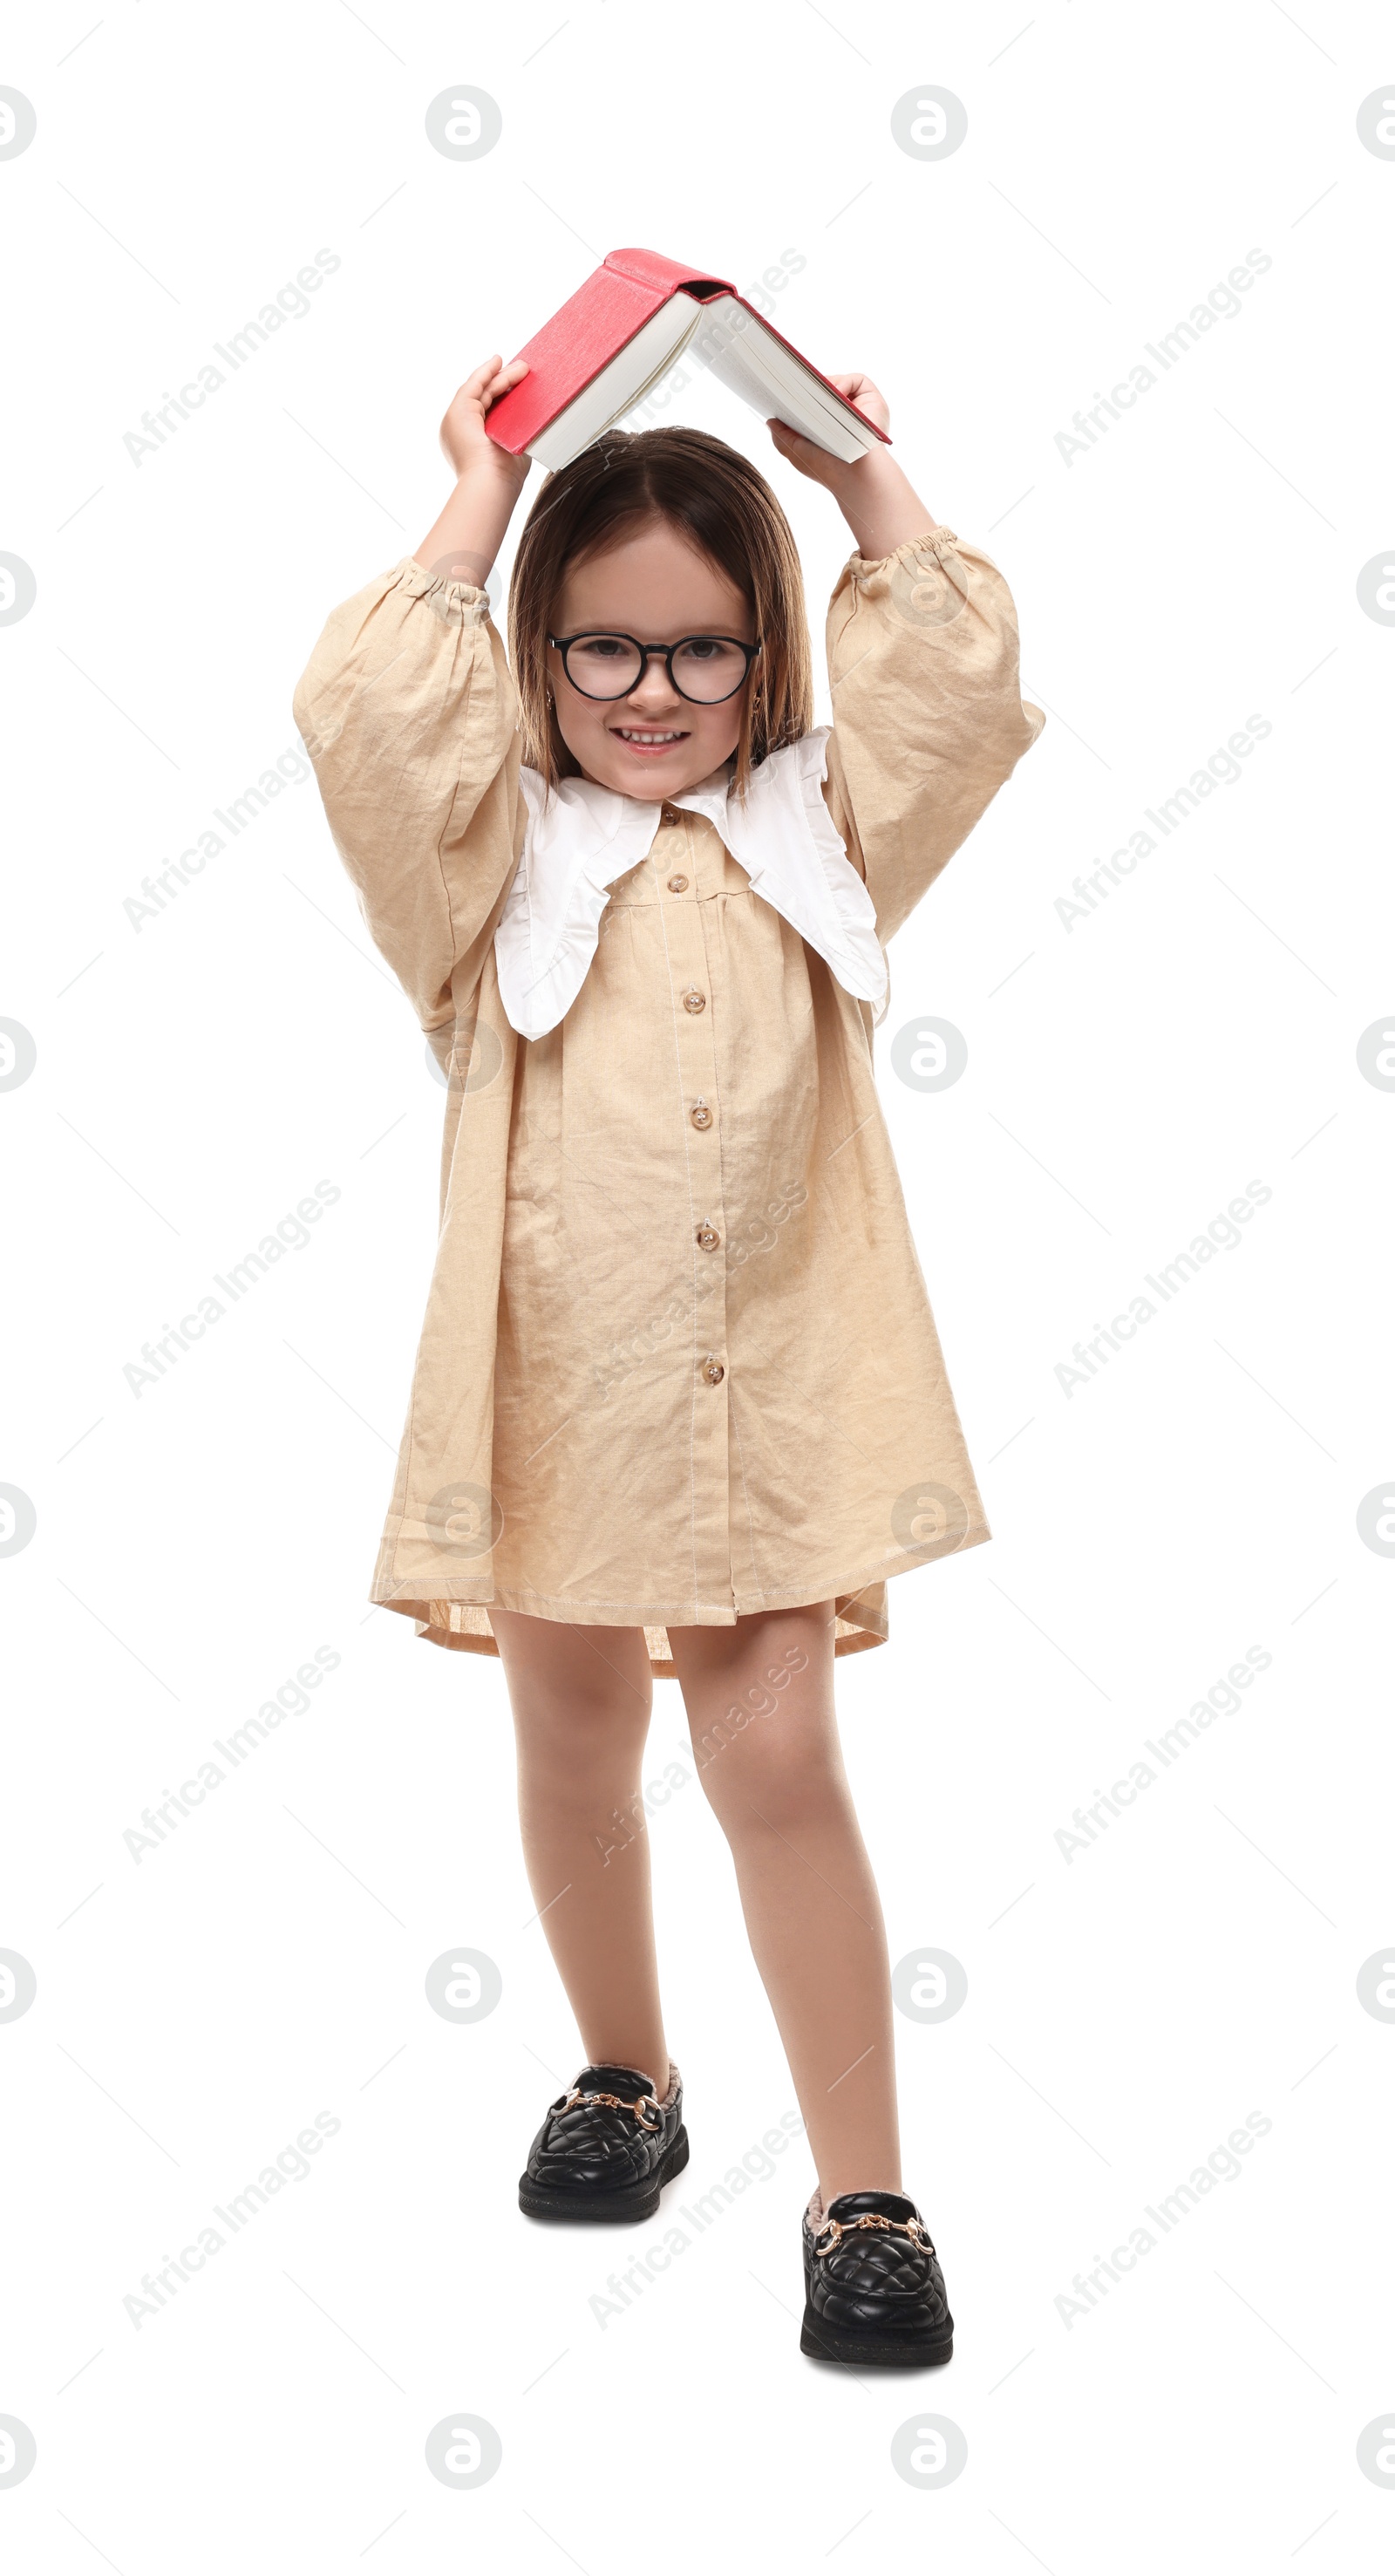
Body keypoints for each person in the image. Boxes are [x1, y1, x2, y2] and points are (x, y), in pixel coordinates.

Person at [293, 351, 1043, 2366]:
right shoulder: (479, 861)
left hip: (773, 1381)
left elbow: (959, 680)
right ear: (535, 648)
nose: (648, 691)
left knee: (776, 1754)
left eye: (700, 651)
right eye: (602, 645)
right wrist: (482, 483)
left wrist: (865, 471)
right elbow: (363, 704)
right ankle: (629, 2075)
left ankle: (862, 2190)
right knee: (568, 1745)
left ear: (761, 653)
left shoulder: (823, 825)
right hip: (560, 1383)